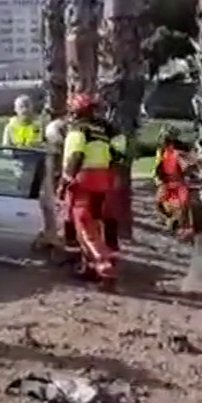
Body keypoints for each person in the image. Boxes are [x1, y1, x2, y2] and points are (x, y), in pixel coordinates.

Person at [59, 93, 127, 288]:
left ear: (75, 111)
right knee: (95, 222)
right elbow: (119, 152)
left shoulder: (78, 130)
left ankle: (104, 266)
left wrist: (66, 181)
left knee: (83, 223)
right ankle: (90, 266)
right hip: (103, 180)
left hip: (83, 180)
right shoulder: (105, 130)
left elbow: (76, 155)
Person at [154, 126, 202, 241]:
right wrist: (159, 177)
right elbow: (159, 165)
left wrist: (190, 168)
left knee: (182, 205)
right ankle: (172, 221)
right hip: (166, 181)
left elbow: (190, 164)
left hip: (179, 182)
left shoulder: (180, 150)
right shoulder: (162, 150)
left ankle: (182, 227)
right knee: (160, 203)